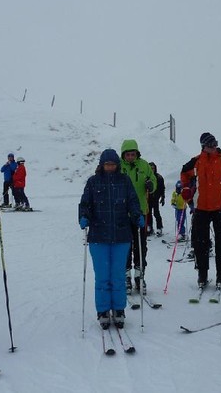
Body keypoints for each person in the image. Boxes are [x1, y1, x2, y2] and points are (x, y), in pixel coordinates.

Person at [79, 149, 143, 329]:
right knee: (102, 277)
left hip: (121, 236)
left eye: (113, 164)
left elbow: (133, 201)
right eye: (107, 164)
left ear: (117, 165)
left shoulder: (124, 181)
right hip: (98, 237)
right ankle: (103, 310)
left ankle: (119, 309)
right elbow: (85, 203)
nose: (110, 167)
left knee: (117, 276)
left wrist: (137, 214)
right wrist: (84, 216)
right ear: (101, 165)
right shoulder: (93, 182)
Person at [180, 132, 221, 288]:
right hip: (201, 208)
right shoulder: (196, 161)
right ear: (203, 146)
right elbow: (184, 172)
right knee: (200, 243)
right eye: (210, 145)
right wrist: (185, 188)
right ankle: (202, 274)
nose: (213, 147)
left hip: (220, 208)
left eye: (215, 143)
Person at [120, 139, 156, 294]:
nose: (130, 157)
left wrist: (151, 185)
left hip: (141, 211)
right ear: (123, 155)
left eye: (132, 154)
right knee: (125, 245)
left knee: (141, 245)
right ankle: (126, 275)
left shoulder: (144, 165)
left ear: (137, 154)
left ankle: (139, 275)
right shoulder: (119, 167)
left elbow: (153, 179)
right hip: (122, 213)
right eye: (127, 155)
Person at [147, 162, 165, 237]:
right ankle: (149, 227)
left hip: (155, 198)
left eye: (153, 168)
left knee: (156, 213)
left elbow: (162, 188)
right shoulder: (146, 177)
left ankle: (159, 227)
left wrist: (163, 197)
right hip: (148, 198)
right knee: (148, 213)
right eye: (150, 168)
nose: (152, 170)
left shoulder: (159, 177)